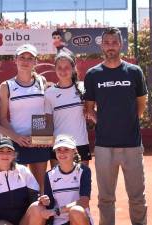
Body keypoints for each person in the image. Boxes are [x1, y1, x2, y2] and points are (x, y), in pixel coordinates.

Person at [84, 27, 148, 225]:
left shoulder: (134, 72)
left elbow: (141, 103)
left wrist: (127, 122)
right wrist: (103, 122)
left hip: (132, 145)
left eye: (114, 42)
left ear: (120, 44)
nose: (110, 46)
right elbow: (89, 108)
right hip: (104, 146)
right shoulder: (93, 74)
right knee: (105, 199)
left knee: (137, 198)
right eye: (107, 42)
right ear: (102, 45)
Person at [0, 44, 51, 193]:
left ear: (35, 62)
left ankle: (42, 216)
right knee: (19, 189)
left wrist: (40, 138)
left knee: (40, 188)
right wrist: (17, 137)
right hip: (17, 143)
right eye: (22, 57)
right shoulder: (6, 86)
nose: (25, 61)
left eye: (30, 58)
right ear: (15, 60)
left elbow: (45, 111)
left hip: (39, 142)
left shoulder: (42, 81)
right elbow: (2, 118)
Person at [0, 136, 42, 225]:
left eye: (9, 151)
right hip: (3, 222)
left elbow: (35, 197)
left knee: (38, 207)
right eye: (1, 151)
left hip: (25, 221)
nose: (5, 155)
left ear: (14, 155)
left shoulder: (23, 171)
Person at [45, 51, 91, 166]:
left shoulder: (84, 87)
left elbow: (92, 111)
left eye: (67, 67)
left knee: (82, 182)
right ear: (55, 69)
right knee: (57, 183)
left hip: (80, 144)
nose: (63, 71)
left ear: (73, 68)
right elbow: (47, 124)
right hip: (59, 146)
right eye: (59, 67)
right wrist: (40, 141)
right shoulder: (49, 93)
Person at [38, 134, 93, 225]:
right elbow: (50, 203)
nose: (62, 153)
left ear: (74, 151)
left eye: (66, 149)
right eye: (59, 150)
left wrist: (57, 211)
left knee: (76, 211)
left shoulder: (84, 171)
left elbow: (84, 201)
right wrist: (45, 201)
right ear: (55, 152)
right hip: (58, 221)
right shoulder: (49, 175)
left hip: (78, 218)